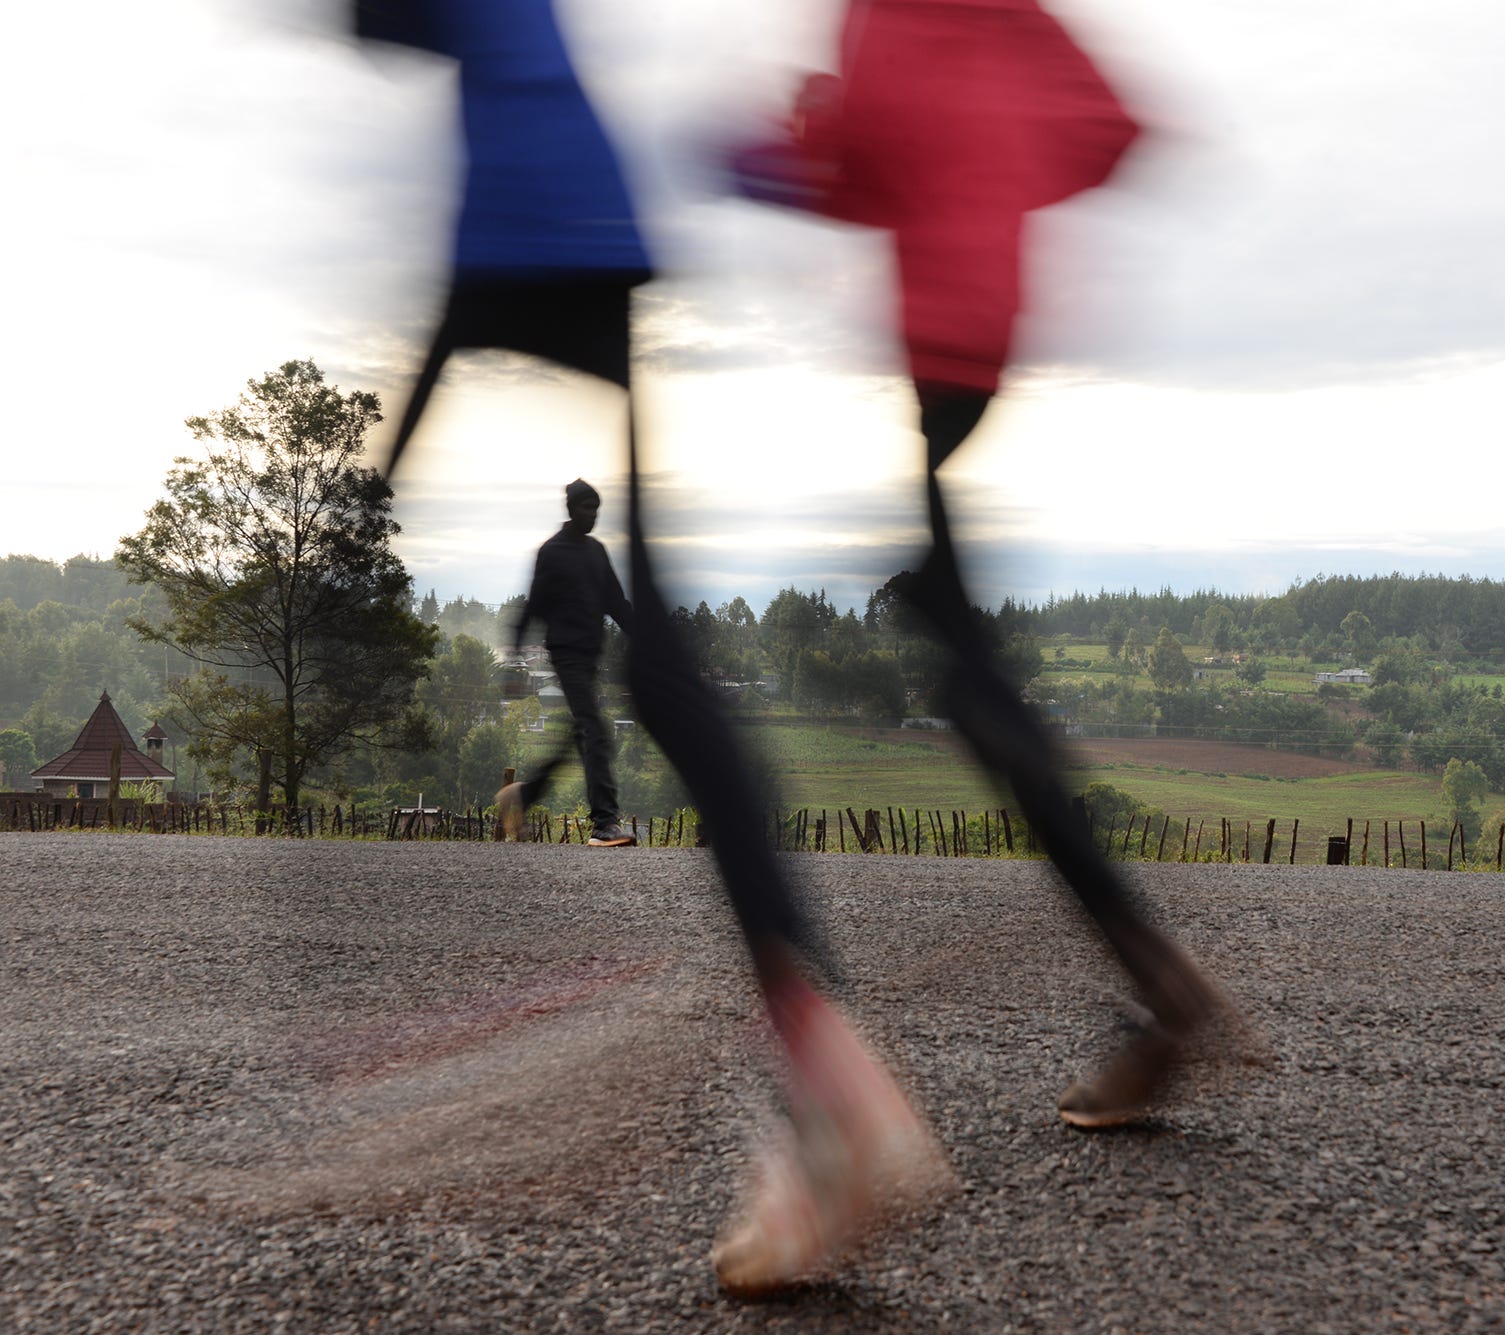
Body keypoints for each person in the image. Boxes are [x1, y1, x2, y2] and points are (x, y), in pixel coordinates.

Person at [353, 0, 949, 1296]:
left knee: (637, 699)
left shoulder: (488, 69)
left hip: (548, 225)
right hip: (599, 229)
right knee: (656, 688)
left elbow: (453, 60)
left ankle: (827, 1083)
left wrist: (397, 450)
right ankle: (825, 1064)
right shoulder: (576, 543)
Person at [731, 0, 1227, 1133]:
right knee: (960, 658)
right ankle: (1152, 977)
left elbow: (858, 160)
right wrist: (991, 175)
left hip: (940, 338)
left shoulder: (881, 13)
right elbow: (1110, 129)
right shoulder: (1011, 11)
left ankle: (1156, 979)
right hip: (987, 332)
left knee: (970, 687)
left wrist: (805, 134)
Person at [496, 478, 635, 847]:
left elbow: (617, 604)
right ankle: (605, 822)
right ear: (571, 510)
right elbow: (534, 603)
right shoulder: (552, 552)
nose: (592, 516)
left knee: (579, 735)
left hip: (590, 656)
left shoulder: (597, 552)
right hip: (565, 653)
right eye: (586, 509)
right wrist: (514, 655)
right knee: (596, 731)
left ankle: (522, 796)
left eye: (596, 510)